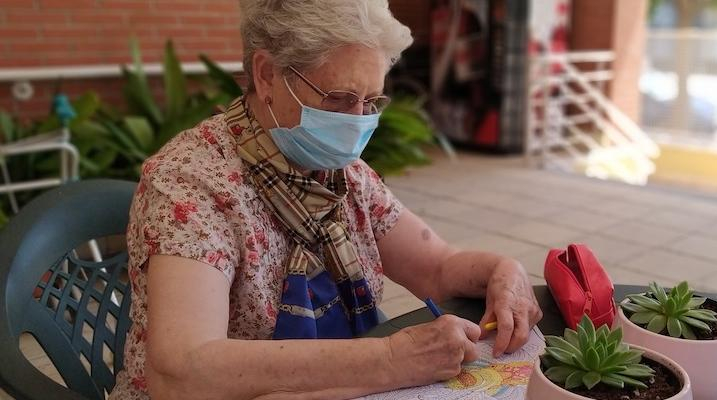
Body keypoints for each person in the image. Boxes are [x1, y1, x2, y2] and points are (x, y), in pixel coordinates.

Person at [110, 1, 542, 399]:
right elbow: (183, 370)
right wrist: (391, 359)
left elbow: (437, 267)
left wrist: (505, 272)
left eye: (371, 101)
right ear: (266, 75)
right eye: (338, 98)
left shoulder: (342, 176)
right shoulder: (191, 183)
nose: (356, 121)